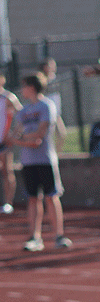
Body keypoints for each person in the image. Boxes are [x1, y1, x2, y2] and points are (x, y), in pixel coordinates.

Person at [8, 73, 70, 251]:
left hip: (45, 160)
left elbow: (41, 134)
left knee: (51, 197)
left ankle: (59, 235)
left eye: (25, 86)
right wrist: (25, 140)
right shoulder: (24, 111)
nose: (22, 90)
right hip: (28, 162)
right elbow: (15, 135)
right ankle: (35, 237)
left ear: (32, 87)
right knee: (33, 199)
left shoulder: (46, 105)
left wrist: (23, 138)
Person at [0, 73, 22, 214]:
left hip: (4, 141)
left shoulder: (8, 97)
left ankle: (8, 202)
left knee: (7, 171)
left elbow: (22, 115)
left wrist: (14, 135)